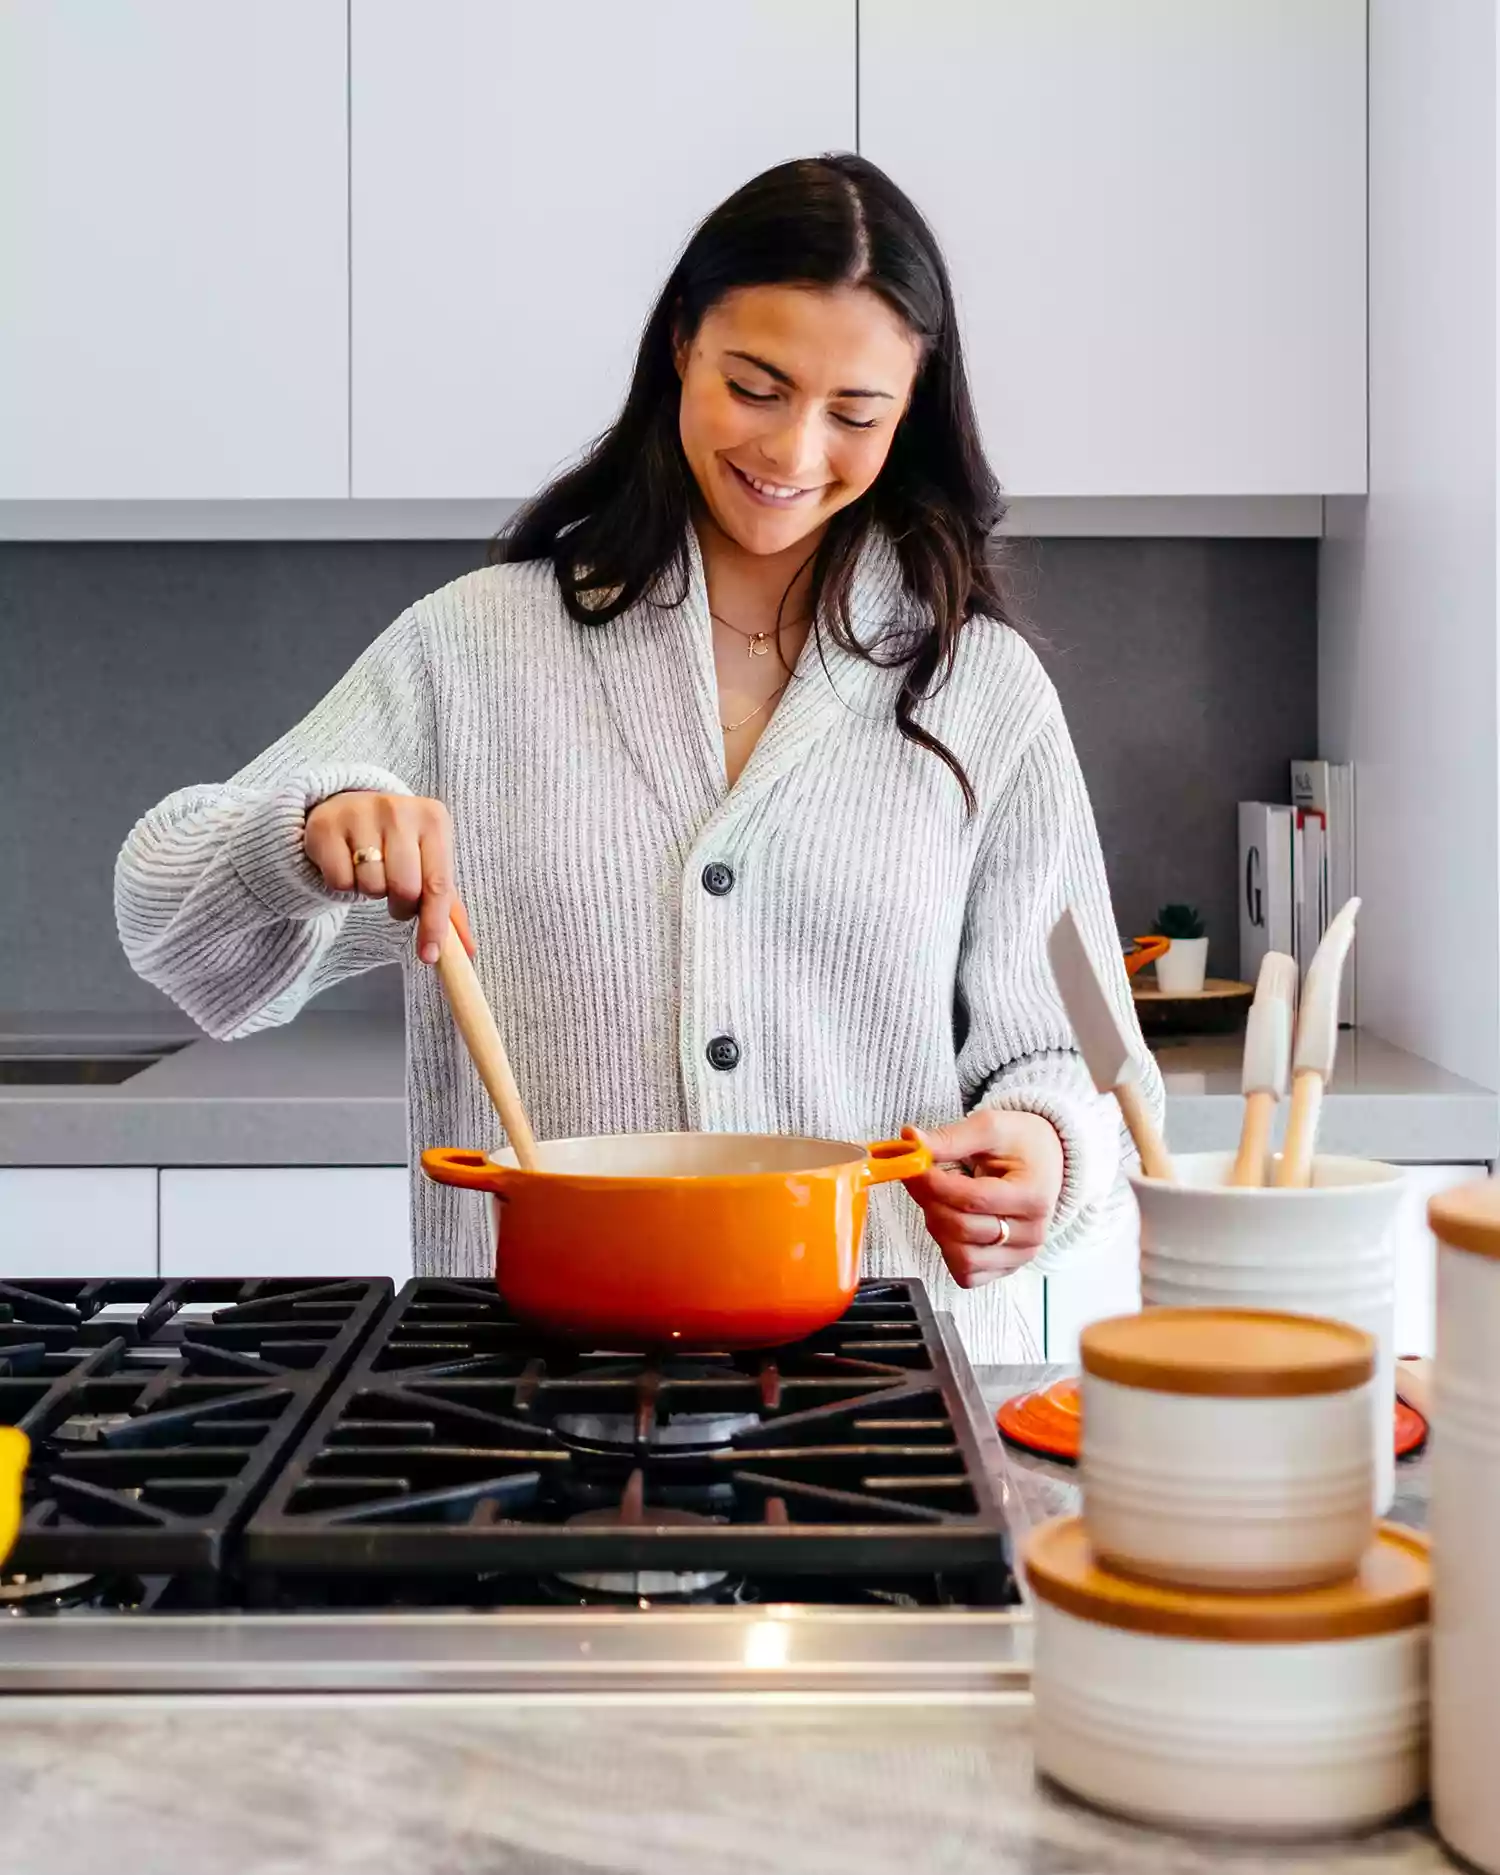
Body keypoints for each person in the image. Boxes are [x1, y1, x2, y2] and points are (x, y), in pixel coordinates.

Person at [115, 153, 1162, 1360]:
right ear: (681, 346)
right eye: (756, 386)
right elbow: (172, 929)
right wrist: (303, 835)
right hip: (521, 1394)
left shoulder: (979, 688)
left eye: (855, 413)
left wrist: (1043, 1148)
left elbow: (1079, 1057)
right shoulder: (481, 649)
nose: (796, 449)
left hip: (876, 1395)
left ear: (913, 408)